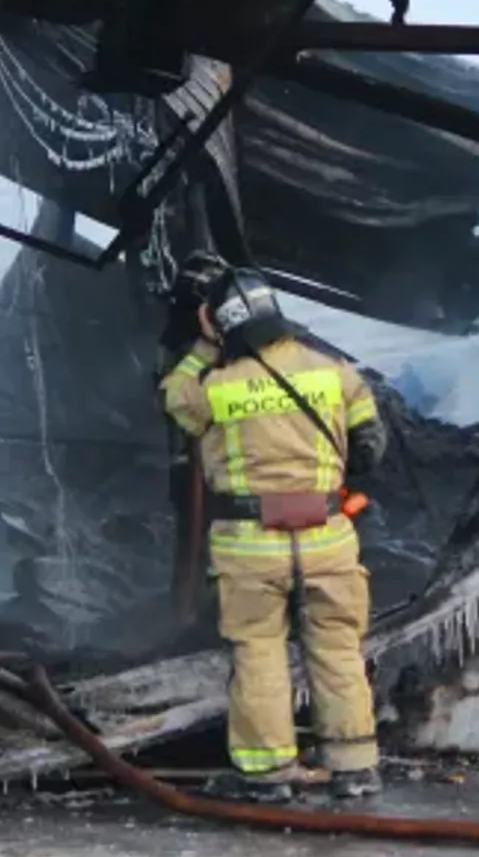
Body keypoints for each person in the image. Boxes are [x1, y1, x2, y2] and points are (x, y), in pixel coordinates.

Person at [158, 264, 387, 801]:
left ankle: (267, 775)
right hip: (327, 537)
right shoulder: (335, 372)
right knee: (338, 649)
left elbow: (173, 400)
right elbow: (371, 449)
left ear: (220, 322)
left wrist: (201, 348)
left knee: (259, 652)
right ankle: (355, 768)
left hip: (251, 544)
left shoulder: (215, 388)